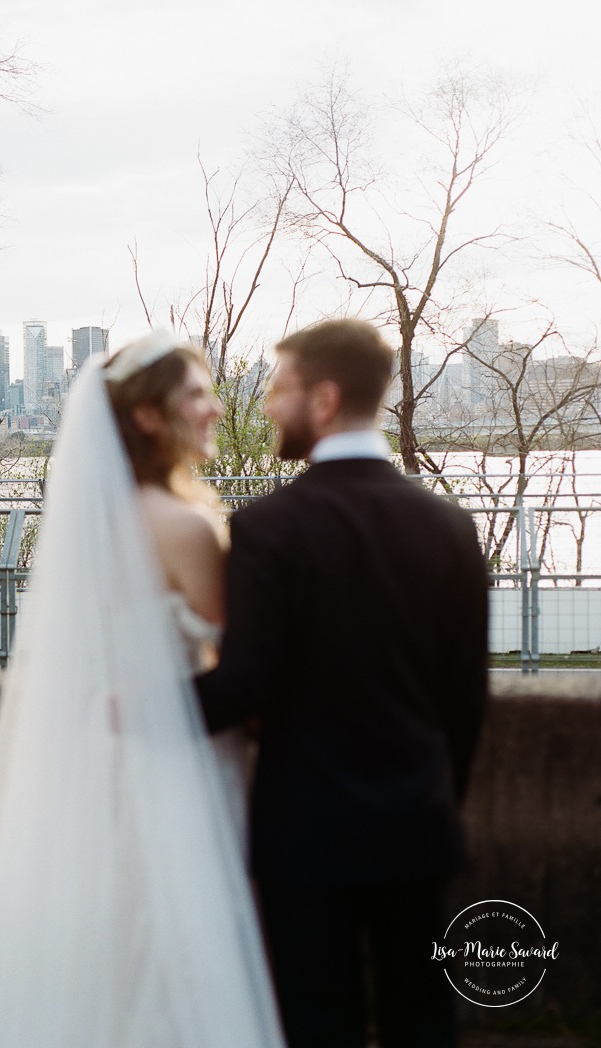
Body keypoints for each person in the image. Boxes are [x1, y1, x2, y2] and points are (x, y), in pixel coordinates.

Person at [0, 331, 286, 1048]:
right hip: (177, 763)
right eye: (197, 395)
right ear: (149, 416)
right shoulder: (182, 527)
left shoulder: (91, 526)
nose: (215, 409)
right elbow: (235, 657)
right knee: (174, 953)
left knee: (103, 951)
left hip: (93, 760)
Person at [197, 318, 489, 1048]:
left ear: (322, 399)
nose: (266, 404)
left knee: (314, 1022)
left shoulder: (268, 527)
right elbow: (464, 700)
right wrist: (432, 799)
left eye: (278, 386)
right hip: (416, 828)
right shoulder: (448, 526)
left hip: (305, 836)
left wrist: (137, 698)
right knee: (422, 1019)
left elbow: (244, 686)